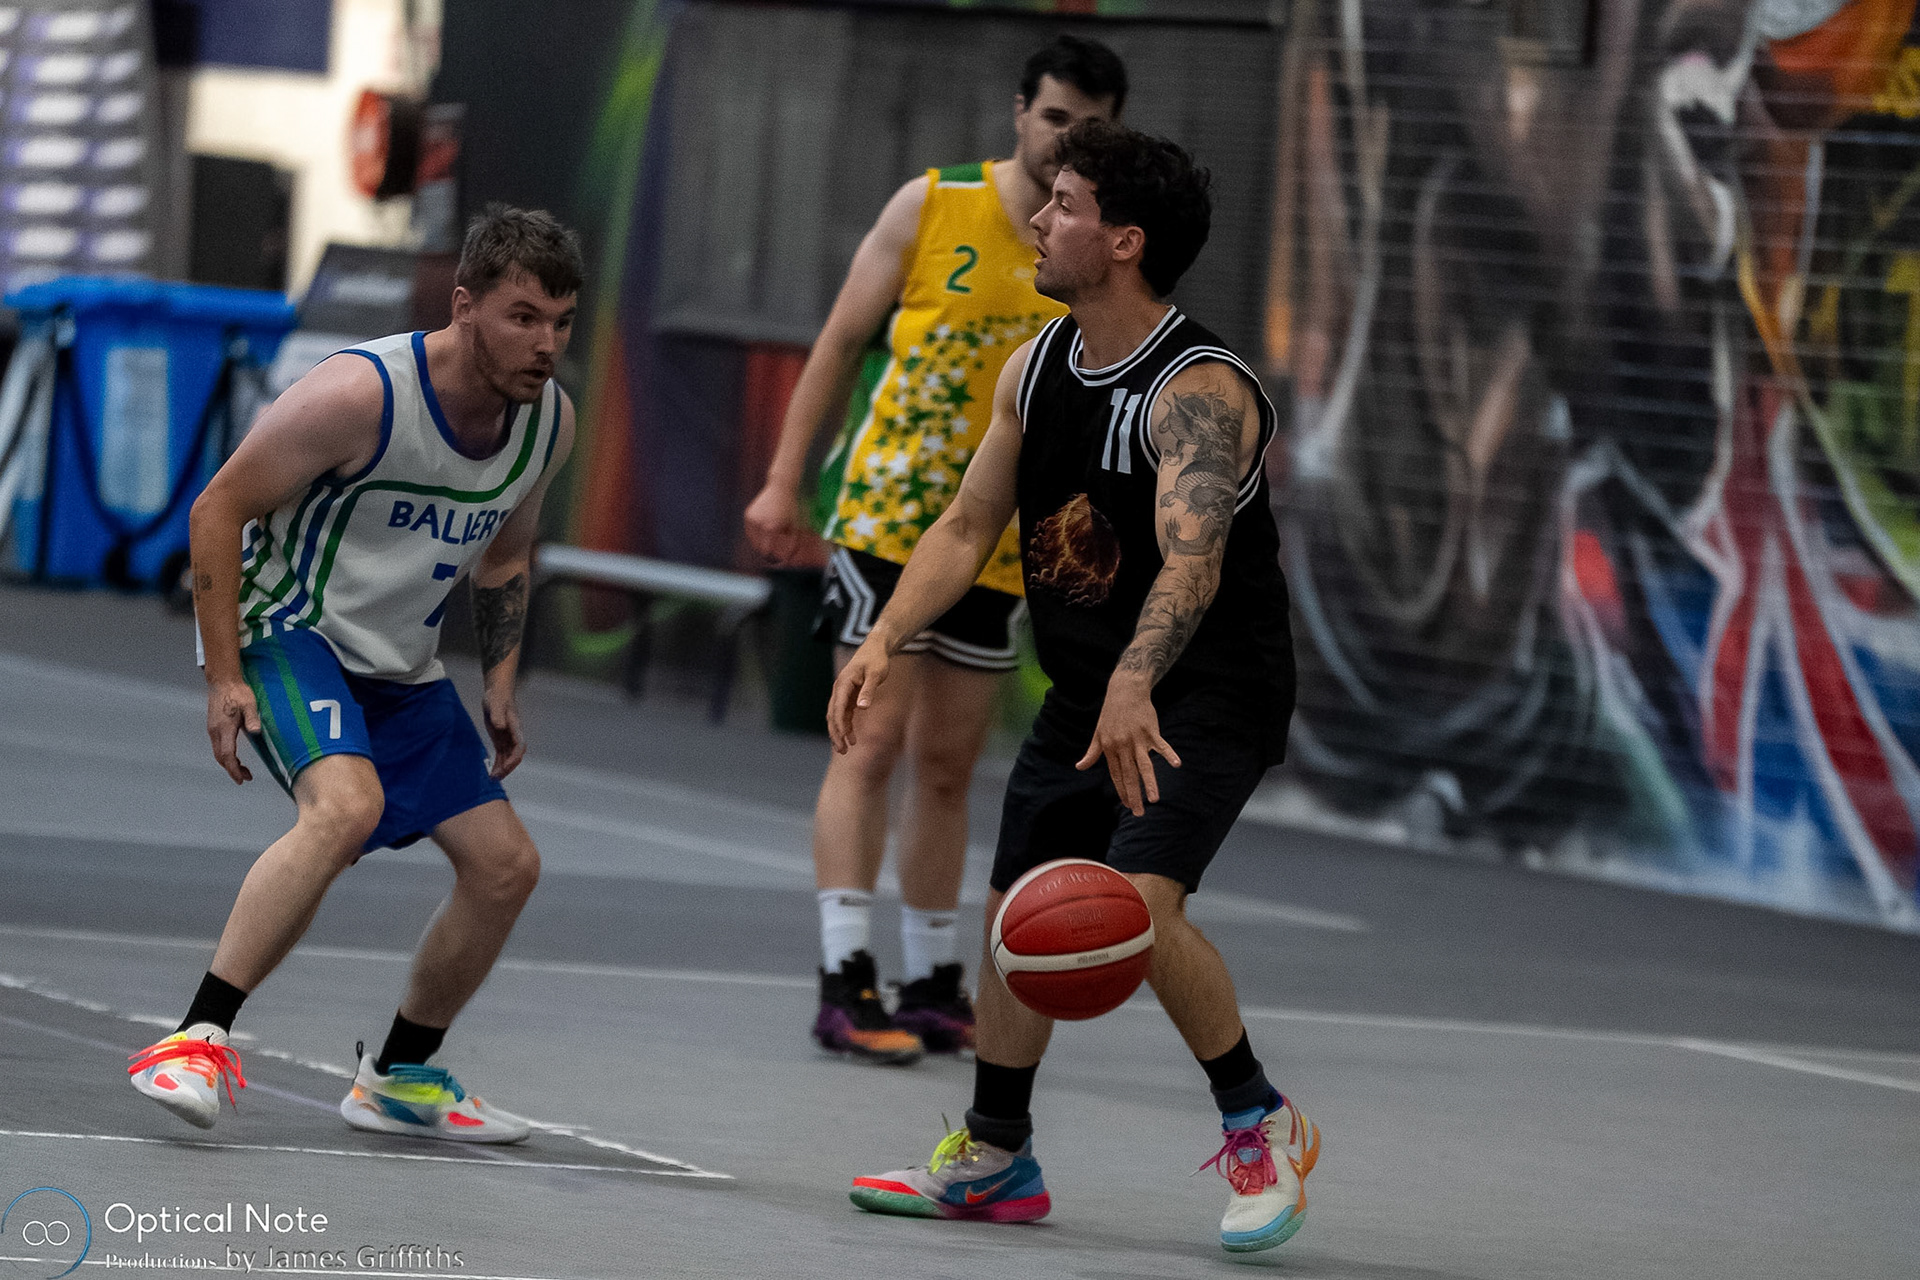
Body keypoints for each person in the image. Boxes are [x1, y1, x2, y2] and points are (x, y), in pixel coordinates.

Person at [832, 122, 1318, 1253]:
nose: (1040, 221)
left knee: (1138, 905)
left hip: (1209, 689)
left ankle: (1259, 1121)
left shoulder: (1198, 390)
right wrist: (886, 636)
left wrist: (1137, 680)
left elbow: (1193, 562)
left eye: (1065, 205)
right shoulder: (1037, 366)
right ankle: (996, 1153)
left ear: (1124, 241)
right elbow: (967, 525)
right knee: (1020, 913)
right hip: (1094, 686)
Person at [127, 206, 581, 1145]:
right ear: (465, 306)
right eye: (523, 317)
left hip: (400, 665)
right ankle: (194, 1039)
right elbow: (217, 510)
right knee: (346, 808)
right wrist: (223, 678)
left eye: (562, 322)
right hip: (287, 629)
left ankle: (399, 1077)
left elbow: (505, 553)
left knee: (506, 868)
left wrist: (500, 677)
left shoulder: (547, 425)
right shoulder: (359, 395)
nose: (546, 345)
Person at [742, 35, 1129, 1063]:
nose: (1065, 139)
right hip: (890, 513)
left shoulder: (1089, 248)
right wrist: (783, 478)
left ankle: (927, 979)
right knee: (869, 744)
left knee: (952, 764)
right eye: (1053, 117)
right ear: (1020, 112)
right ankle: (844, 977)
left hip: (996, 539)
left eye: (1088, 127)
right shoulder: (934, 203)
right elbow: (838, 340)